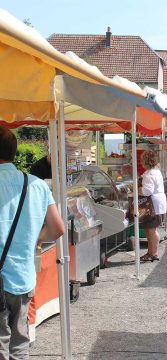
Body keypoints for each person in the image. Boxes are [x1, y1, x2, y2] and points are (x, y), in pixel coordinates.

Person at [0, 126, 64, 359]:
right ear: (14, 152)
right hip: (23, 276)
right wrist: (33, 236)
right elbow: (58, 229)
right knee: (19, 341)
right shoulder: (35, 184)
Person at [138, 150, 167, 262]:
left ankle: (153, 253)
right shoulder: (156, 172)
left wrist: (137, 189)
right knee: (151, 230)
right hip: (158, 205)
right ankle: (151, 252)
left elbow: (147, 191)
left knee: (151, 231)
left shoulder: (150, 174)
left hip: (153, 206)